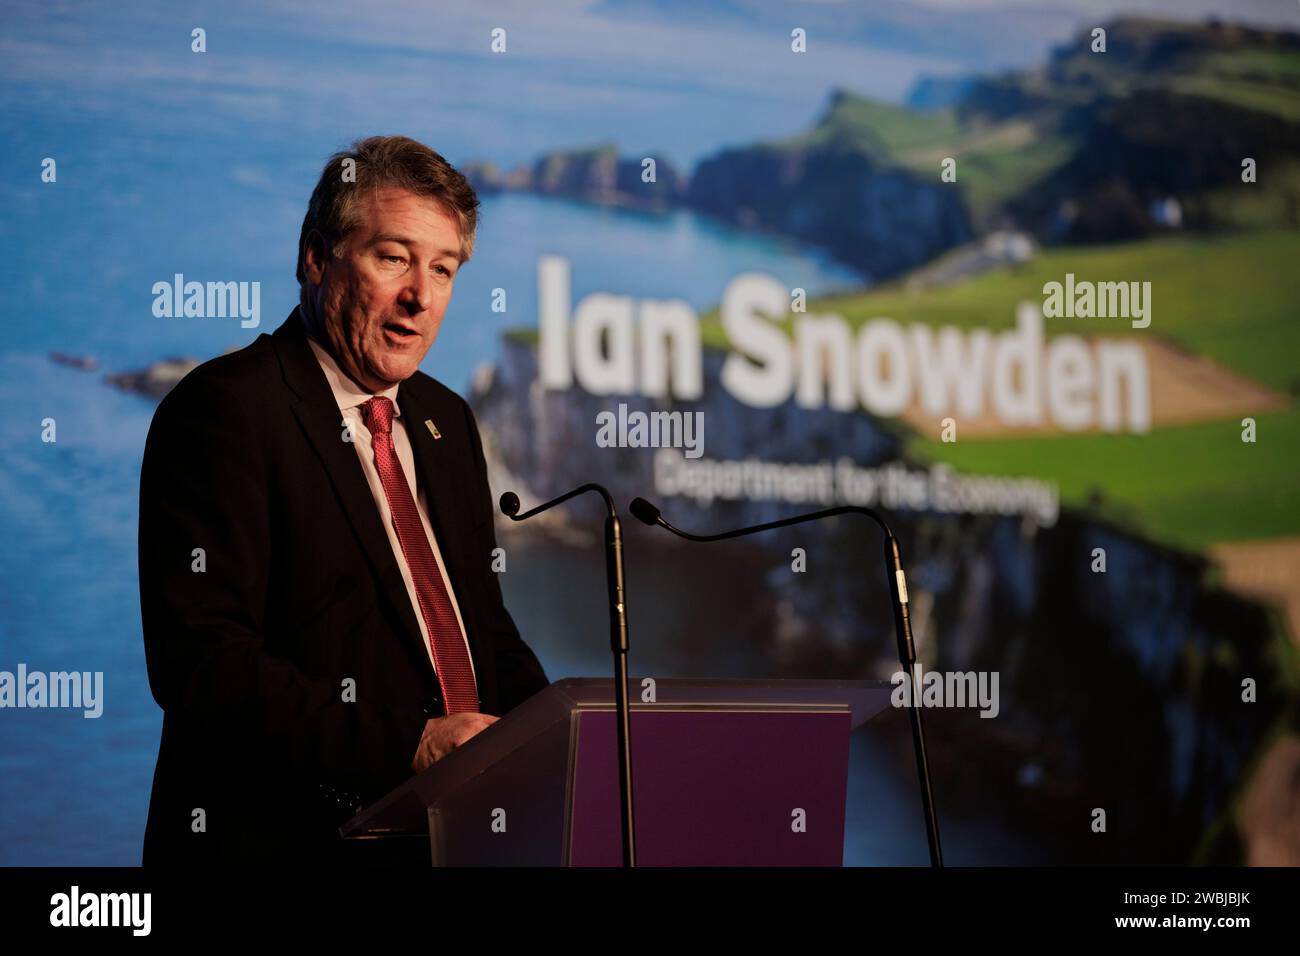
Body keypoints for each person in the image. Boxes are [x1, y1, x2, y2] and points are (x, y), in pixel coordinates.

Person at [138, 136, 548, 864]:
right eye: (393, 258)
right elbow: (202, 663)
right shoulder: (226, 411)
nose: (421, 295)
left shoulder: (445, 419)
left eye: (443, 268)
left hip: (452, 843)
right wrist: (411, 745)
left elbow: (481, 628)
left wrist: (559, 735)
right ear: (315, 257)